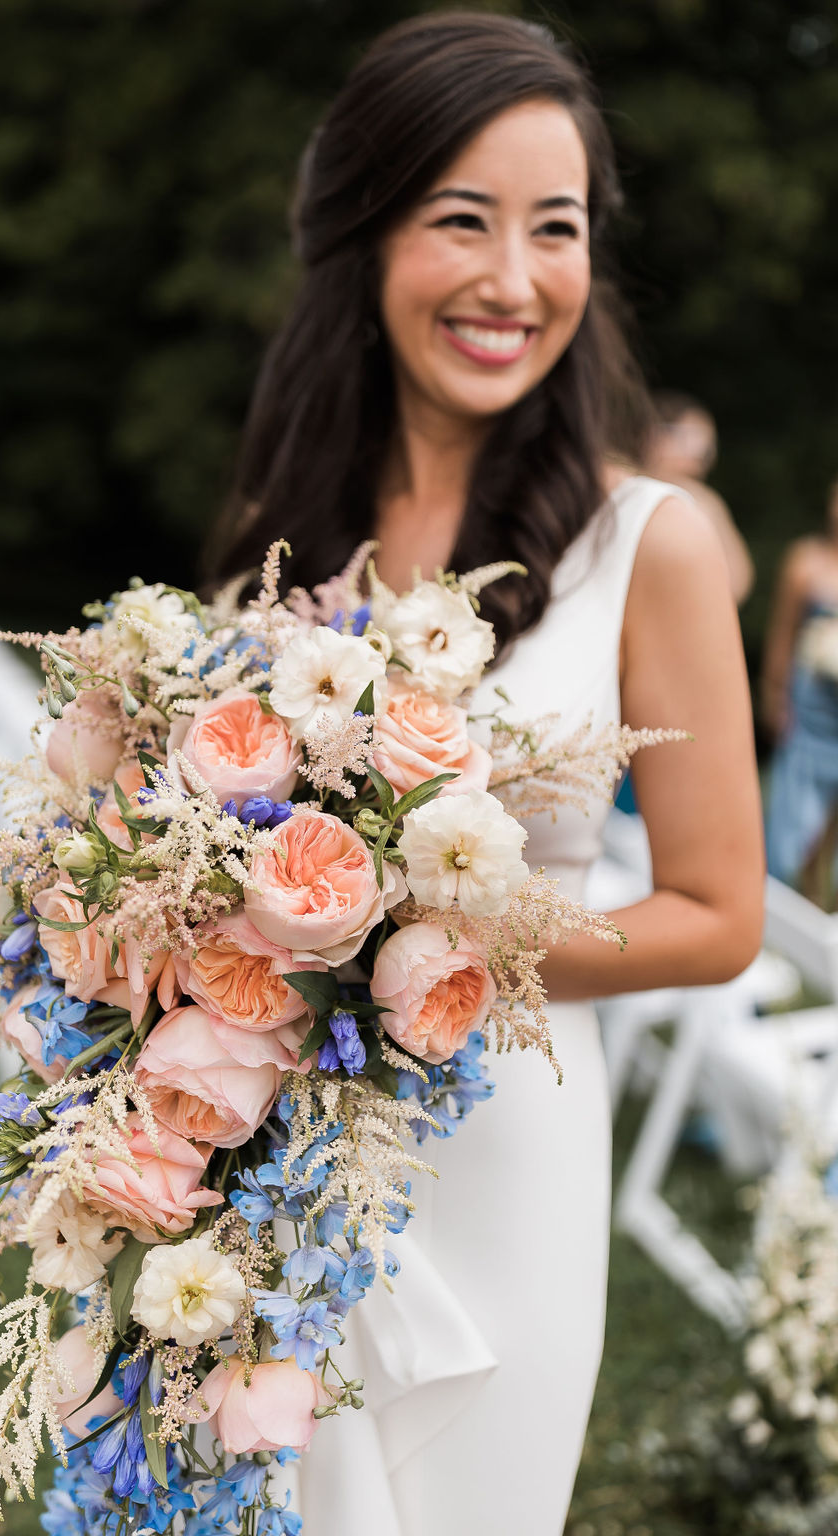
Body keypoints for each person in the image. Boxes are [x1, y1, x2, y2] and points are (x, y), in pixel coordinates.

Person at [210, 13, 764, 1534]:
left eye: (556, 228)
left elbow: (719, 915)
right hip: (275, 1140)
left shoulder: (652, 543)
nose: (514, 282)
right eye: (463, 220)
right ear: (367, 230)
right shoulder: (290, 524)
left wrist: (413, 942)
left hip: (506, 1137)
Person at [763, 477, 838, 900]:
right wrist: (776, 697)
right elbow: (782, 634)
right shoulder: (805, 561)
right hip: (810, 707)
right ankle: (782, 894)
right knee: (795, 805)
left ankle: (822, 895)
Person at [644, 389, 755, 605]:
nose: (701, 456)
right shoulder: (698, 499)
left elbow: (738, 581)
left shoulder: (702, 500)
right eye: (691, 440)